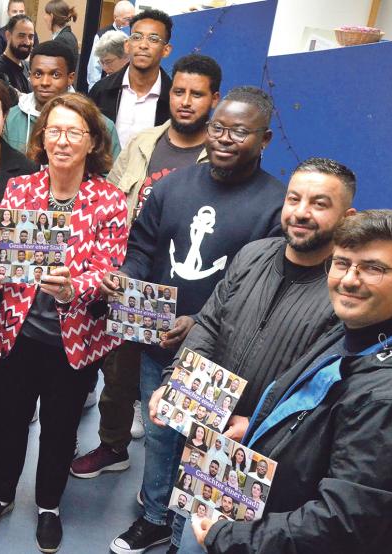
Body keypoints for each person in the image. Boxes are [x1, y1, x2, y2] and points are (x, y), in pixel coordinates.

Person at [103, 86, 286, 554]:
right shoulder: (171, 186)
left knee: (207, 449)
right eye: (218, 128)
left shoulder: (276, 204)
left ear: (264, 140)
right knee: (161, 435)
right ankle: (155, 517)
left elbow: (264, 287)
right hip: (158, 342)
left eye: (239, 132)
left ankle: (193, 537)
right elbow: (142, 248)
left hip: (223, 358)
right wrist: (129, 285)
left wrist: (199, 321)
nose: (224, 139)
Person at [185, 210, 392, 554]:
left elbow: (344, 524)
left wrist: (229, 536)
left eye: (373, 268)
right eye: (342, 263)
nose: (349, 279)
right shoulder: (351, 334)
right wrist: (258, 425)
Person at [0, 93, 128, 554]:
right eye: (53, 130)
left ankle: (49, 506)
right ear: (42, 137)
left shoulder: (109, 200)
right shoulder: (21, 189)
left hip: (72, 340)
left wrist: (73, 288)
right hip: (16, 334)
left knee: (60, 429)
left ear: (92, 140)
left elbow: (108, 271)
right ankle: (0, 495)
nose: (62, 141)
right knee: (9, 420)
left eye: (73, 132)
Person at [71, 54, 222, 483]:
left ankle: (162, 481)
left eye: (197, 94)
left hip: (187, 290)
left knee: (174, 387)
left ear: (213, 99)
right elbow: (113, 199)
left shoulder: (219, 158)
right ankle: (113, 446)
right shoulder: (143, 142)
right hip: (133, 276)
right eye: (179, 92)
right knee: (118, 375)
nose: (186, 102)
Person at [149, 157, 357, 446]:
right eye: (293, 199)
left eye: (319, 204)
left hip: (276, 444)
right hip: (209, 426)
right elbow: (209, 326)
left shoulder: (347, 292)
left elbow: (323, 386)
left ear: (347, 218)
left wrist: (258, 423)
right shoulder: (252, 255)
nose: (301, 212)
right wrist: (177, 382)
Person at [4, 41, 120, 160]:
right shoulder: (10, 119)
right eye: (38, 74)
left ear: (70, 78)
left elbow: (111, 175)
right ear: (30, 75)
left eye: (55, 75)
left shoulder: (100, 125)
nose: (45, 82)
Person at [89, 8, 174, 149]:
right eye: (137, 37)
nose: (143, 45)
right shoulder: (101, 91)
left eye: (153, 39)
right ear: (127, 46)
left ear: (166, 50)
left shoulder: (173, 99)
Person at [86, 0, 134, 87]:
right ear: (115, 17)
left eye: (133, 19)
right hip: (106, 85)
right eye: (127, 19)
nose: (131, 22)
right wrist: (94, 91)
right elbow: (94, 68)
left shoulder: (133, 35)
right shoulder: (102, 35)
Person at [0, 14, 36, 94]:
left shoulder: (28, 67)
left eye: (30, 37)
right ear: (8, 36)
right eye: (21, 36)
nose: (27, 42)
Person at [0, 0, 38, 65]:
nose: (18, 14)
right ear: (8, 12)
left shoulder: (32, 32)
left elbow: (37, 56)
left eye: (21, 11)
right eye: (14, 11)